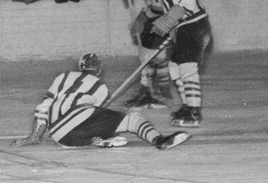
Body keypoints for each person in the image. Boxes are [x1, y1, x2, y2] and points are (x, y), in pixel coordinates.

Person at [16, 53, 188, 150]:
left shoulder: (63, 76)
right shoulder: (102, 88)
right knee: (132, 119)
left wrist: (36, 136)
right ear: (98, 70)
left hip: (63, 139)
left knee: (96, 121)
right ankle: (158, 140)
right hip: (80, 120)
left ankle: (99, 141)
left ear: (81, 67)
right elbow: (91, 116)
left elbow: (44, 106)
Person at [140, 0, 213, 128]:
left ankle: (194, 111)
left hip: (194, 27)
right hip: (185, 29)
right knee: (173, 68)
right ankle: (187, 106)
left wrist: (169, 19)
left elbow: (188, 0)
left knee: (187, 69)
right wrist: (171, 26)